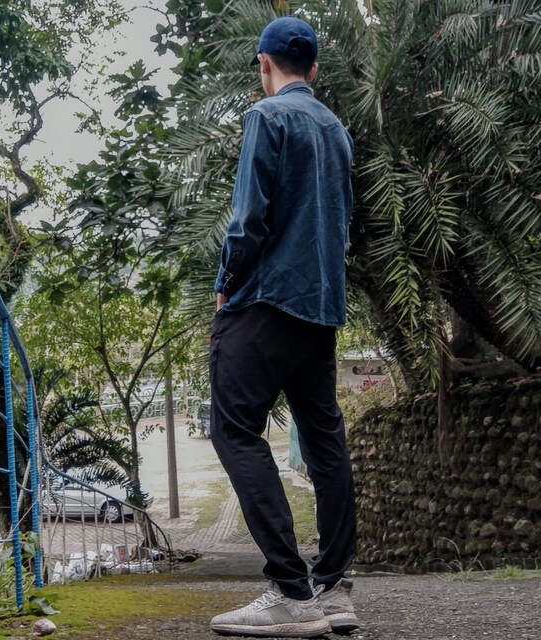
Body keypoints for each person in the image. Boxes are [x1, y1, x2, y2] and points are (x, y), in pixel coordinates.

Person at [209, 16, 358, 638]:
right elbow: (342, 223)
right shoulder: (337, 130)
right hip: (319, 308)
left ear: (265, 64)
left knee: (234, 430)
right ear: (314, 68)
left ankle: (292, 593)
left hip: (265, 300)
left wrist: (226, 283)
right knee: (324, 441)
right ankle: (335, 590)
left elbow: (249, 218)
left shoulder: (266, 117)